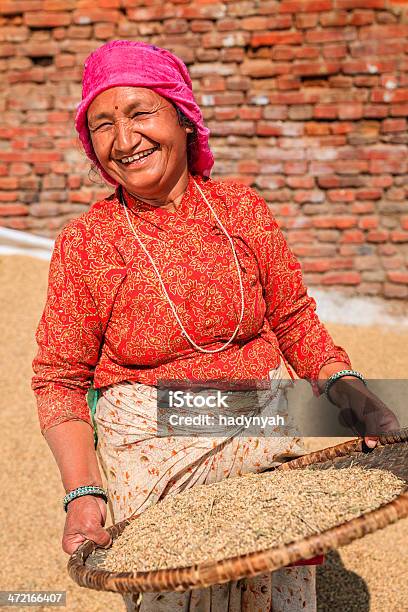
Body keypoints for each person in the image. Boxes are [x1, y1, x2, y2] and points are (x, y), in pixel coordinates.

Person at [31, 40, 399, 612]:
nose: (124, 141)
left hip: (266, 424)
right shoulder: (88, 243)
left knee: (274, 591)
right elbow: (58, 379)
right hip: (156, 450)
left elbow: (295, 318)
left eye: (140, 113)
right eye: (102, 124)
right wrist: (83, 494)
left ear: (183, 118)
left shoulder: (240, 210)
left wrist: (343, 386)